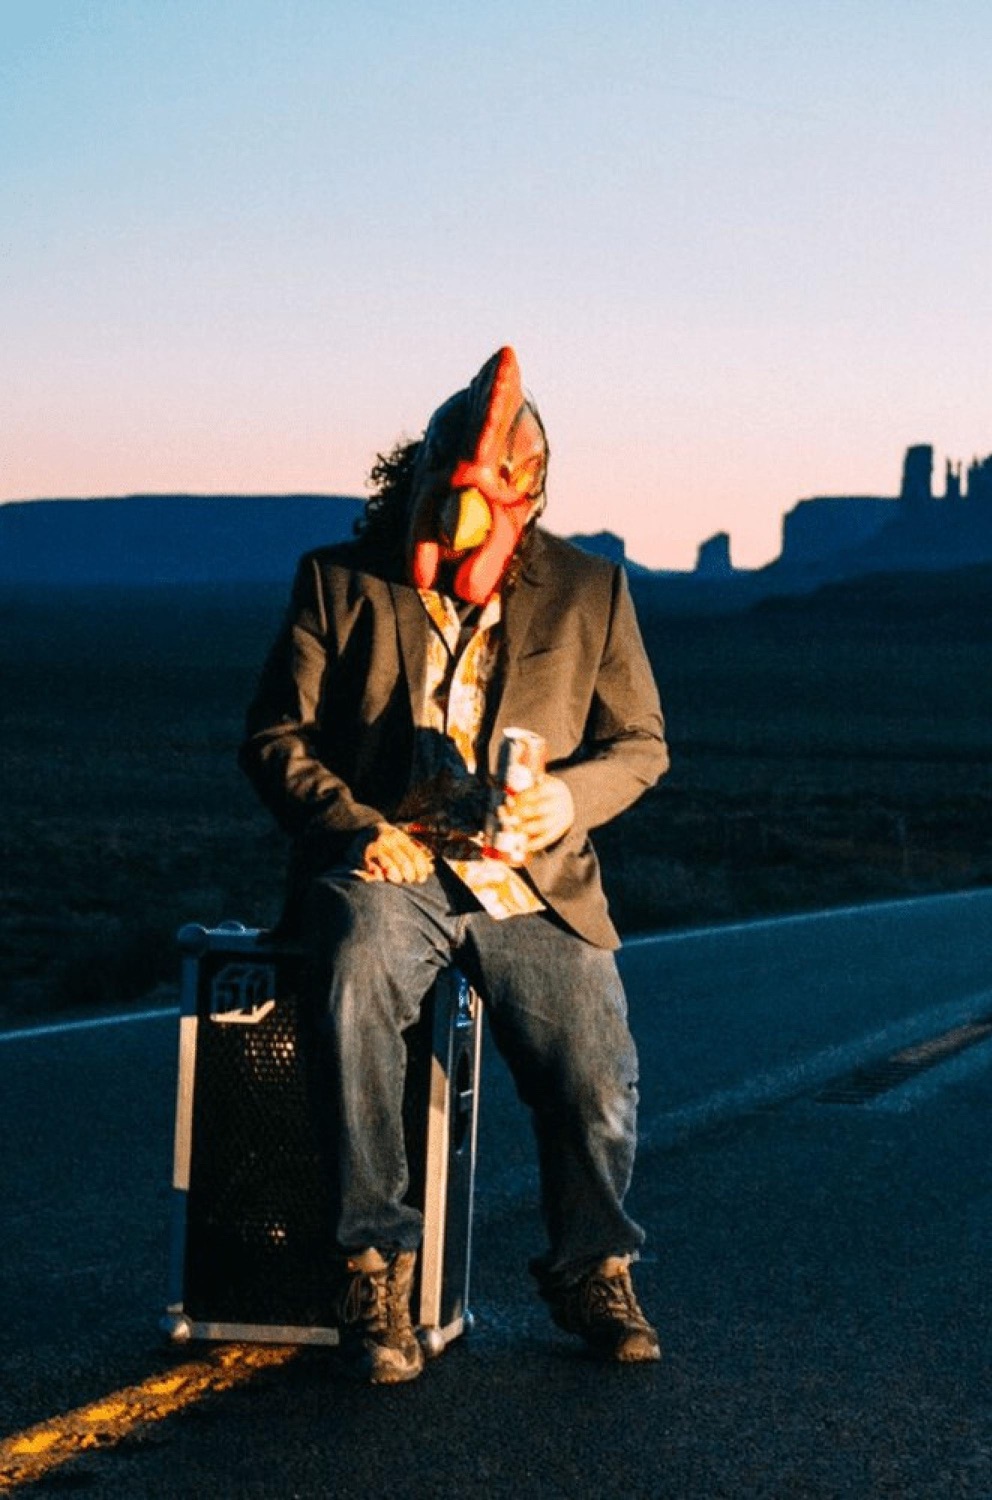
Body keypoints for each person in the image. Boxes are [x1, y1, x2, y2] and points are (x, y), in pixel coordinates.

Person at [240, 345, 668, 1383]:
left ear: (527, 492)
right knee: (350, 978)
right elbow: (275, 737)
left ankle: (592, 1267)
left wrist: (567, 799)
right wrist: (354, 826)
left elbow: (642, 744)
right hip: (394, 865)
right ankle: (373, 1265)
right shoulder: (339, 581)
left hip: (529, 878)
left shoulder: (592, 590)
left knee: (594, 1061)